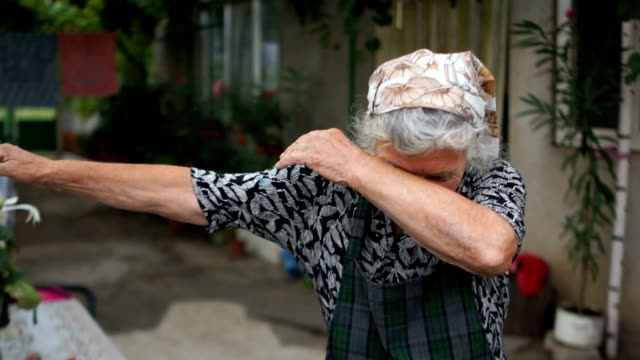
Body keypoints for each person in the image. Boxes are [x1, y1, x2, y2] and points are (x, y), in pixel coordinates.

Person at [0, 49, 525, 359]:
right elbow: (188, 191)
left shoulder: (491, 183)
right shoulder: (323, 196)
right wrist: (38, 169)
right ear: (373, 143)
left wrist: (361, 169)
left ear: (473, 155)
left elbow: (488, 249)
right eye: (395, 171)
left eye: (441, 177)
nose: (419, 193)